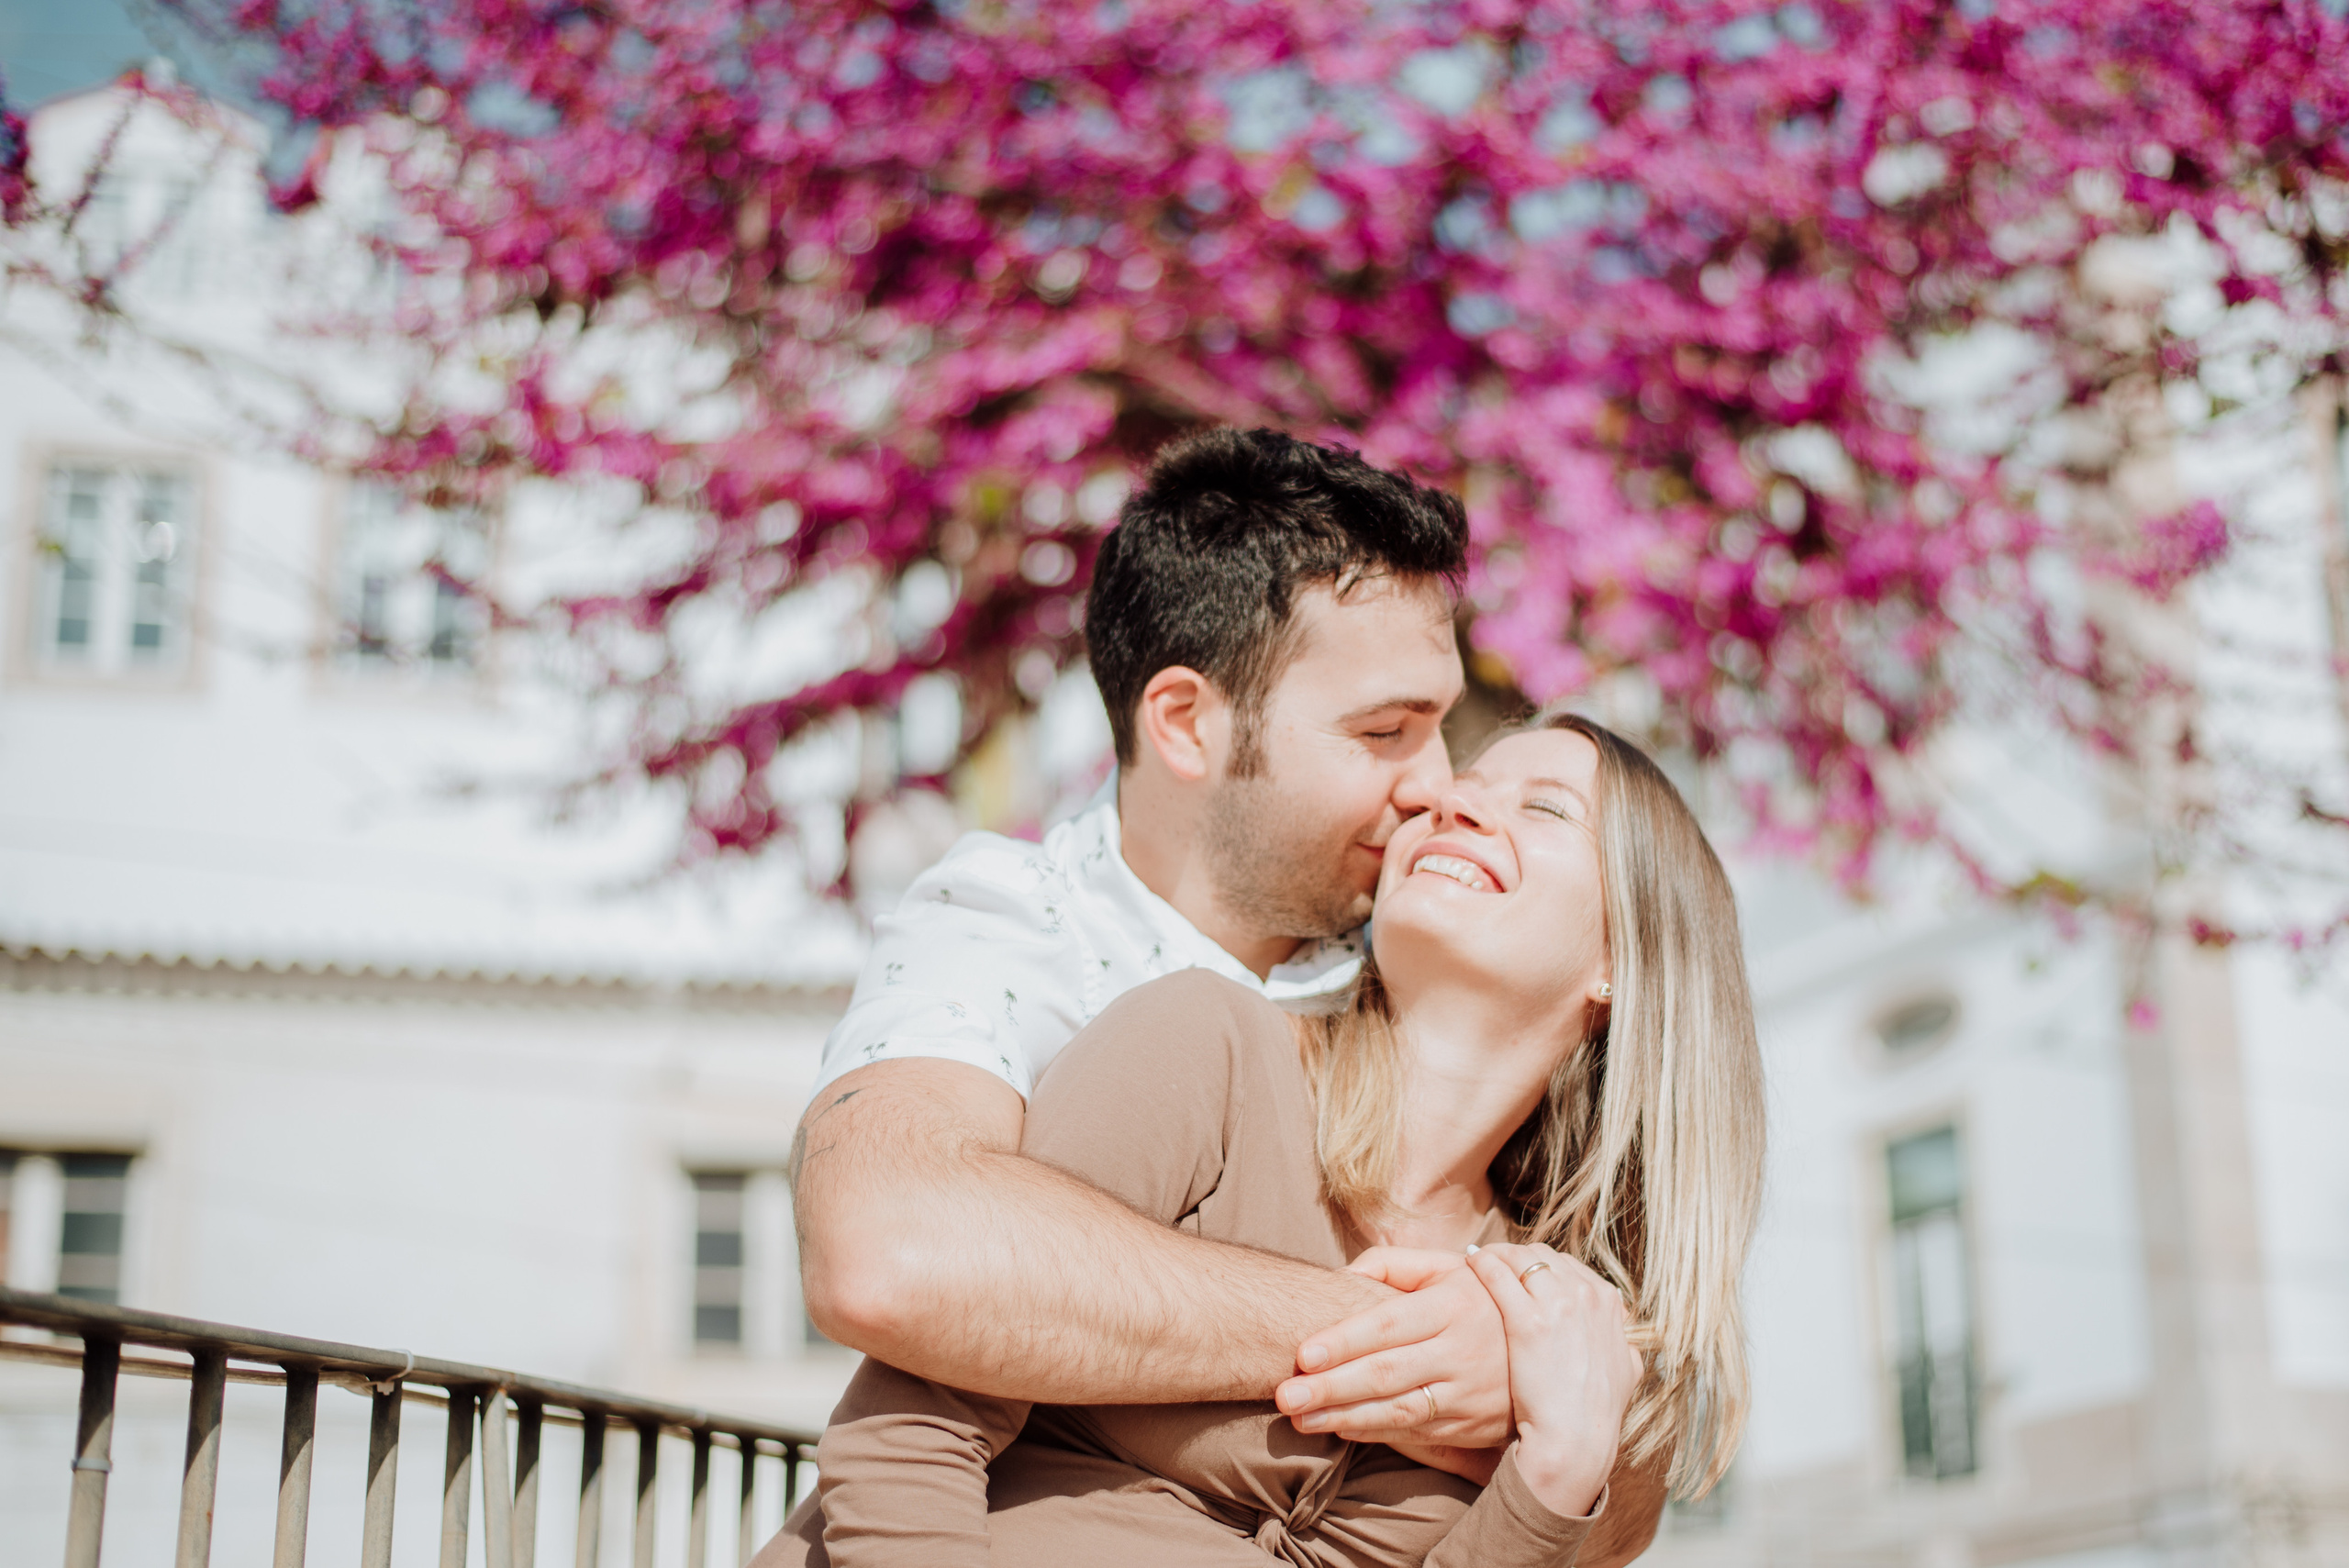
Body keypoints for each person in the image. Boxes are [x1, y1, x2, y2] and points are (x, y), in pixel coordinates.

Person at [758, 710, 1768, 1565]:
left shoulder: (1543, 1324)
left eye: (1542, 808)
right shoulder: (1210, 1047)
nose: (1452, 801)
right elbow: (907, 1433)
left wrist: (1554, 1473)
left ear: (1620, 965)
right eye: (1464, 785)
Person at [791, 428, 1525, 1458]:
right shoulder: (1006, 925)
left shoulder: (1427, 953)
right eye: (1381, 732)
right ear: (1185, 722)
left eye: (1439, 723)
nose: (1436, 782)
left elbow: (1615, 1455)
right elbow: (890, 1251)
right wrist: (1420, 1351)